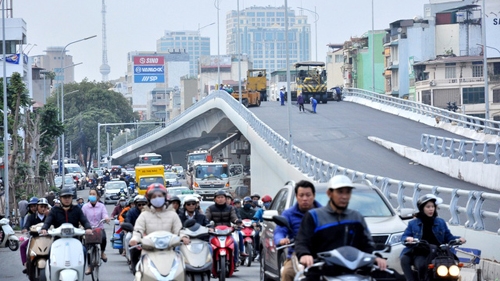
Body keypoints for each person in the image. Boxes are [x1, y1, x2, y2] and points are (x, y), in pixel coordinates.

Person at [295, 175, 387, 280]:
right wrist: (305, 254)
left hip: (355, 273)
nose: (344, 196)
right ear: (329, 193)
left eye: (348, 192)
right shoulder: (314, 216)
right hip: (322, 272)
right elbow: (302, 241)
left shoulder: (356, 217)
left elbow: (367, 244)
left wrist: (376, 257)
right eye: (340, 192)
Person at [400, 194, 466, 281]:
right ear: (422, 208)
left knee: (453, 265)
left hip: (439, 252)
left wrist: (459, 239)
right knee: (418, 264)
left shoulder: (441, 222)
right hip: (421, 252)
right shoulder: (413, 223)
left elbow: (449, 237)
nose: (431, 209)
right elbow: (404, 237)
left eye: (433, 206)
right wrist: (408, 239)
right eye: (428, 207)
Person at [129, 184, 189, 274]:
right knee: (141, 273)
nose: (157, 198)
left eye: (160, 196)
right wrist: (135, 239)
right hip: (148, 251)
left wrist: (183, 237)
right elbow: (138, 230)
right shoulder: (144, 215)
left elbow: (179, 230)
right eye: (154, 196)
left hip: (169, 251)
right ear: (149, 199)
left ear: (165, 197)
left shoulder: (172, 214)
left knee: (180, 271)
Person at [41, 188, 92, 273]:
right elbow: (48, 221)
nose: (67, 199)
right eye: (64, 197)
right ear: (60, 198)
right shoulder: (54, 210)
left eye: (69, 197)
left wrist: (88, 228)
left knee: (83, 250)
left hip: (75, 240)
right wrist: (44, 228)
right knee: (50, 252)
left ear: (72, 198)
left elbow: (84, 220)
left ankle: (80, 273)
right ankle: (51, 274)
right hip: (58, 240)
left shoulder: (77, 209)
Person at [205, 190, 245, 266]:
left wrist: (237, 221)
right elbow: (206, 219)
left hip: (227, 232)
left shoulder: (230, 208)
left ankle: (235, 261)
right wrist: (208, 226)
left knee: (235, 244)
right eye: (218, 197)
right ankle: (209, 263)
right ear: (215, 199)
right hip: (214, 232)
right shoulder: (210, 208)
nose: (220, 199)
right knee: (209, 245)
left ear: (225, 199)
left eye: (222, 197)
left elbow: (234, 217)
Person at [81, 188, 110, 274]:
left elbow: (105, 214)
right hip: (88, 229)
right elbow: (81, 216)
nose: (92, 196)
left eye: (94, 194)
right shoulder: (85, 207)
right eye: (91, 194)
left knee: (104, 237)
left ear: (97, 196)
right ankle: (90, 266)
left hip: (99, 228)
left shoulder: (101, 206)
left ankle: (102, 253)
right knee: (88, 247)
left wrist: (106, 218)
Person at [20, 198, 49, 274]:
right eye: (41, 206)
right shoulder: (31, 217)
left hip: (48, 239)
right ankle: (26, 264)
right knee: (22, 246)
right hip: (34, 238)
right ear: (37, 207)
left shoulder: (50, 217)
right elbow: (27, 225)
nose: (43, 208)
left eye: (45, 207)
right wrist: (25, 229)